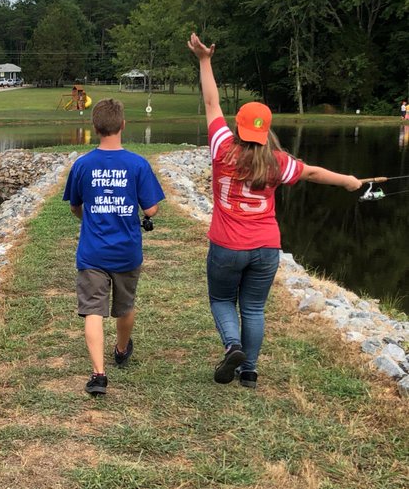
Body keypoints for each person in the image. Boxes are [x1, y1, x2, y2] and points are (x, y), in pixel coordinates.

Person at [188, 34, 363, 389]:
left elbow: (210, 101)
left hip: (226, 246)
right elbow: (312, 172)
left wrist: (205, 61)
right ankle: (249, 371)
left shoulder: (222, 147)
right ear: (266, 131)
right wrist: (347, 180)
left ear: (238, 127)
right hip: (266, 247)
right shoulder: (277, 162)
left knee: (222, 298)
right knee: (253, 308)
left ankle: (232, 346)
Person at [63, 98, 165, 395]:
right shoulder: (137, 164)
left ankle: (98, 374)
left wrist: (90, 216)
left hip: (92, 251)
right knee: (126, 305)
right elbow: (152, 208)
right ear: (123, 125)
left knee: (93, 310)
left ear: (94, 127)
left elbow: (75, 206)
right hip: (127, 251)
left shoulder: (82, 165)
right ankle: (121, 349)